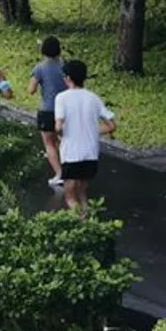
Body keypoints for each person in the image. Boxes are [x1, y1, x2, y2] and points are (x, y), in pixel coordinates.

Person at [53, 59, 116, 216]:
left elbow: (58, 127)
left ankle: (81, 225)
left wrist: (61, 135)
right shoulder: (93, 98)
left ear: (67, 78)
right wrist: (92, 130)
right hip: (90, 153)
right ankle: (89, 221)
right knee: (82, 194)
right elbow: (111, 126)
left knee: (70, 196)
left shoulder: (61, 98)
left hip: (71, 153)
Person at [27, 37, 67, 189]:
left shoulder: (40, 68)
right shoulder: (65, 66)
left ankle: (59, 174)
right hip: (64, 110)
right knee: (64, 141)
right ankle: (69, 171)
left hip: (47, 110)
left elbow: (31, 90)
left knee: (49, 143)